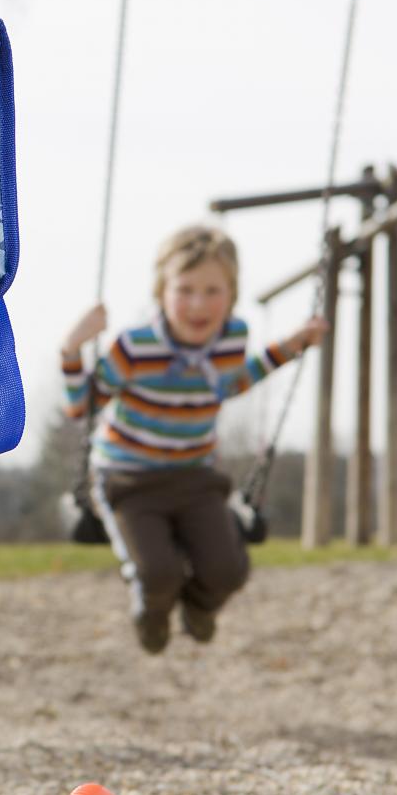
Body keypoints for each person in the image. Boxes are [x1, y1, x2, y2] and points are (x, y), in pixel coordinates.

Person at [61, 225, 328, 652]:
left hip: (194, 476)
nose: (198, 304)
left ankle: (199, 608)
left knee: (228, 570)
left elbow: (231, 383)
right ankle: (152, 611)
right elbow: (82, 407)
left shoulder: (232, 337)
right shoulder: (135, 346)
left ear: (232, 293)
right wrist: (72, 351)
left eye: (212, 290)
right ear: (162, 292)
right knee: (158, 574)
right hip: (129, 482)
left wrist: (292, 345)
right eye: (184, 290)